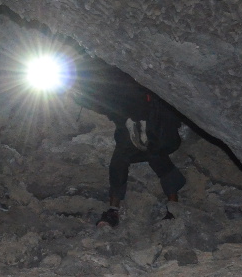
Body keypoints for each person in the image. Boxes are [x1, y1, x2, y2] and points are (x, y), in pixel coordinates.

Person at [73, 61, 185, 228]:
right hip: (131, 128)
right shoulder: (113, 87)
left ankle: (174, 207)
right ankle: (113, 210)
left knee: (157, 155)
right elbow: (105, 104)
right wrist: (79, 94)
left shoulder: (133, 83)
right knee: (119, 160)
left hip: (155, 126)